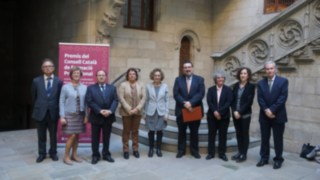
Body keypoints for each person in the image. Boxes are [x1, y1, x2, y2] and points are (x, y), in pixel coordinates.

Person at [256, 61, 288, 169]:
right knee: (265, 138)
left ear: (275, 69)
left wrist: (272, 110)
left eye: (271, 68)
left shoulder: (283, 81)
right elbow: (260, 98)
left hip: (278, 116)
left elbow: (282, 98)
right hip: (264, 116)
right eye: (267, 69)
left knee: (278, 139)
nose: (269, 71)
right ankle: (264, 158)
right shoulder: (261, 83)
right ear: (265, 70)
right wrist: (266, 110)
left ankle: (278, 159)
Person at [31, 58, 63, 163]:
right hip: (40, 112)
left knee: (53, 135)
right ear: (42, 69)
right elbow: (33, 97)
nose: (47, 68)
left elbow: (60, 98)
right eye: (45, 66)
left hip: (53, 113)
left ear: (53, 68)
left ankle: (53, 153)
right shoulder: (36, 81)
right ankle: (42, 154)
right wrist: (38, 108)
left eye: (49, 66)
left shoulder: (59, 81)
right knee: (41, 135)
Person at [85, 70, 118, 164]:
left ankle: (106, 154)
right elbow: (90, 101)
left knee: (106, 137)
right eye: (99, 75)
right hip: (96, 116)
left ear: (106, 76)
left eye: (103, 75)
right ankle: (95, 155)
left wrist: (110, 111)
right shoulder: (90, 88)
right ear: (96, 77)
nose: (101, 77)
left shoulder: (112, 88)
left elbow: (115, 100)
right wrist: (100, 110)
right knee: (95, 138)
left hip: (108, 117)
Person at [173, 61, 205, 159]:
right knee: (181, 132)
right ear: (183, 69)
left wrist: (190, 103)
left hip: (194, 110)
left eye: (189, 67)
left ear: (192, 68)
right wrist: (185, 103)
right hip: (181, 110)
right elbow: (176, 94)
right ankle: (181, 151)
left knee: (194, 132)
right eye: (185, 67)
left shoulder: (199, 79)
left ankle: (194, 151)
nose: (187, 69)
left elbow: (201, 93)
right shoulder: (178, 80)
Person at [59, 66, 88, 165]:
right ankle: (66, 156)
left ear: (81, 75)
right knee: (72, 136)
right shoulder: (65, 87)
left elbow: (86, 103)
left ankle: (74, 155)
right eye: (74, 73)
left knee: (77, 136)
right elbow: (61, 101)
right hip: (69, 115)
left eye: (78, 73)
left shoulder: (84, 87)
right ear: (71, 75)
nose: (76, 75)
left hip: (80, 115)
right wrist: (62, 116)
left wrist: (86, 116)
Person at [118, 68, 146, 159]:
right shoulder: (123, 85)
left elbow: (144, 98)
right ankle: (125, 149)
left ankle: (135, 149)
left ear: (136, 75)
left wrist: (137, 109)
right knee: (126, 131)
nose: (132, 75)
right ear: (127, 75)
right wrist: (129, 109)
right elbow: (121, 98)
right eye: (130, 74)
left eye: (133, 74)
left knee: (135, 131)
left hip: (137, 112)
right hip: (126, 112)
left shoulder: (141, 85)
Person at [205, 71, 233, 161]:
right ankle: (211, 153)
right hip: (212, 116)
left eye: (222, 78)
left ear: (224, 79)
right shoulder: (211, 89)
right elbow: (209, 102)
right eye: (218, 78)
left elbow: (228, 102)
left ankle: (222, 153)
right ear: (215, 80)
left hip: (224, 117)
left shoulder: (228, 90)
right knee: (211, 135)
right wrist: (215, 112)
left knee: (223, 135)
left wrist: (219, 112)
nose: (220, 79)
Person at [231, 67, 255, 163]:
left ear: (248, 75)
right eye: (241, 73)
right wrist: (234, 111)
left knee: (244, 134)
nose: (243, 75)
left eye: (245, 73)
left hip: (245, 114)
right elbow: (232, 100)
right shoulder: (236, 85)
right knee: (238, 133)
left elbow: (249, 102)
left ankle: (244, 154)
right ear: (239, 75)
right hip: (235, 114)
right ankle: (239, 152)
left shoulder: (251, 87)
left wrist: (239, 112)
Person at [144, 68, 169, 158]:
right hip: (150, 111)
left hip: (161, 112)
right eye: (155, 75)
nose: (157, 77)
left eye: (159, 75)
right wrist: (145, 113)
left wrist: (166, 113)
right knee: (151, 130)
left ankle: (158, 149)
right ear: (152, 76)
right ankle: (151, 149)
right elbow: (146, 100)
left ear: (161, 76)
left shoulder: (165, 86)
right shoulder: (148, 86)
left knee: (159, 131)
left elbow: (167, 100)